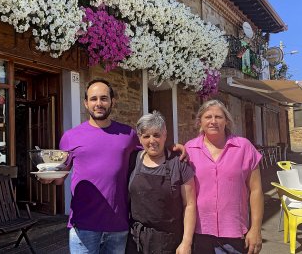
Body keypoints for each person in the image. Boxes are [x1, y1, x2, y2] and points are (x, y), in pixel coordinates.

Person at [39, 79, 186, 254]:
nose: (99, 103)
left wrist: (173, 147)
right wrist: (47, 178)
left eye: (104, 98)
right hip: (83, 225)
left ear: (112, 102)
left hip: (118, 225)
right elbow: (59, 178)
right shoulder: (70, 137)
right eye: (93, 99)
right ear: (86, 103)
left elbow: (151, 149)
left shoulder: (128, 134)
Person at [185, 99, 263, 254]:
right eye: (208, 117)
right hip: (200, 232)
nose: (213, 121)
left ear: (226, 121)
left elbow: (256, 191)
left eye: (218, 117)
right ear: (200, 121)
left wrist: (256, 229)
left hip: (234, 233)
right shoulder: (189, 149)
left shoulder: (244, 147)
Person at [126, 111, 196, 254]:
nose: (152, 140)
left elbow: (189, 204)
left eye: (156, 135)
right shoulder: (133, 160)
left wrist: (186, 242)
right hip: (135, 240)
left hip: (168, 242)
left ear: (165, 135)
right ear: (139, 138)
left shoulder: (179, 163)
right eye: (146, 136)